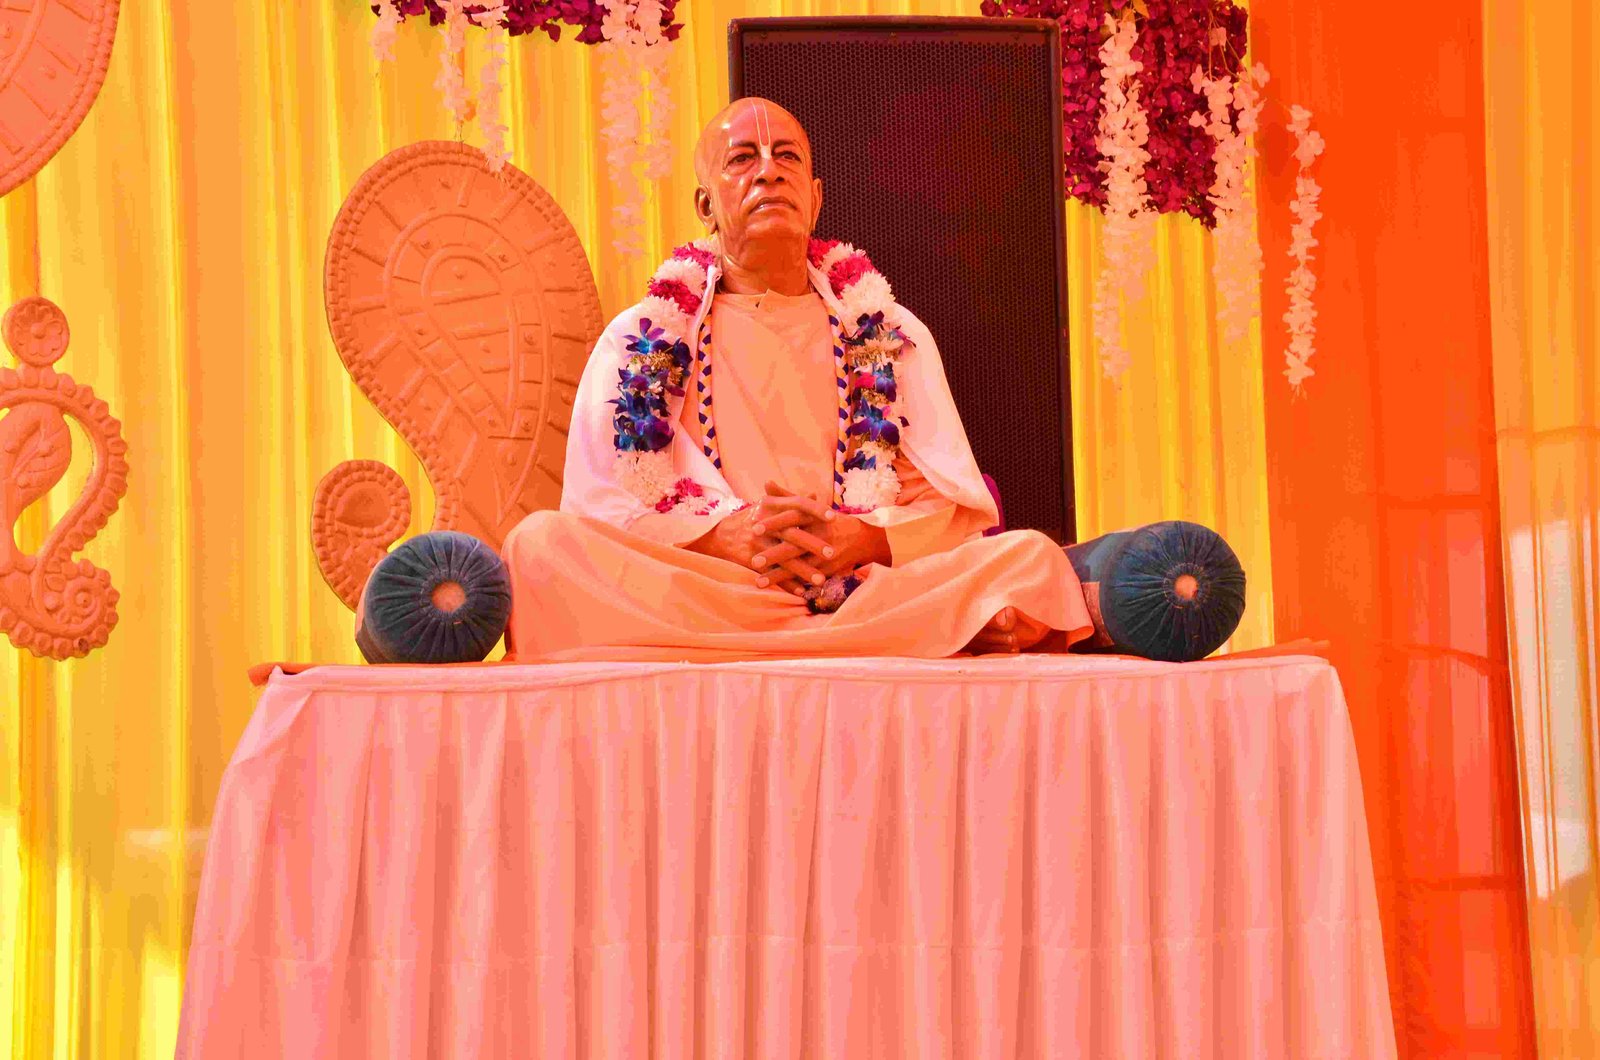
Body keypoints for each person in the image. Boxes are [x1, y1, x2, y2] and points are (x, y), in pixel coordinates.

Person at [501, 98, 1093, 661]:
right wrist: (722, 538)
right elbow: (604, 503)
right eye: (742, 158)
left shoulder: (890, 332)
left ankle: (786, 638)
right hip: (716, 583)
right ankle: (896, 633)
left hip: (860, 584)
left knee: (1031, 562)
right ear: (705, 205)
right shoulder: (641, 336)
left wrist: (860, 539)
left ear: (815, 199)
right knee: (540, 549)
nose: (768, 172)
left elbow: (944, 506)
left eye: (786, 156)